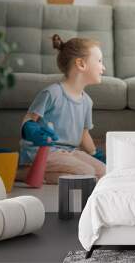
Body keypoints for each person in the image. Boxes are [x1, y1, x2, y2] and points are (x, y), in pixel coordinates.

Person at [16, 34, 106, 184]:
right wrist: (31, 130)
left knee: (103, 172)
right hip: (43, 152)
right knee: (87, 172)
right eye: (99, 61)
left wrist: (95, 154)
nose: (103, 67)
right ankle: (25, 172)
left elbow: (84, 135)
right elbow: (29, 119)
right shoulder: (53, 93)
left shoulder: (87, 101)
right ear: (81, 64)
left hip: (70, 153)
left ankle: (37, 174)